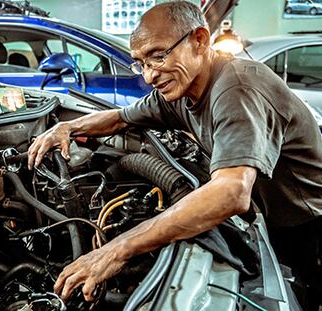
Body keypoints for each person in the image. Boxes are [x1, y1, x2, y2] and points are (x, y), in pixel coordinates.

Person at [28, 1, 322, 309]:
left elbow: (232, 192)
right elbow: (122, 118)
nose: (150, 75)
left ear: (199, 40)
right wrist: (67, 127)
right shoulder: (184, 89)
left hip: (309, 221)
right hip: (277, 215)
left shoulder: (237, 88)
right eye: (140, 63)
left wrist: (117, 249)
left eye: (158, 55)